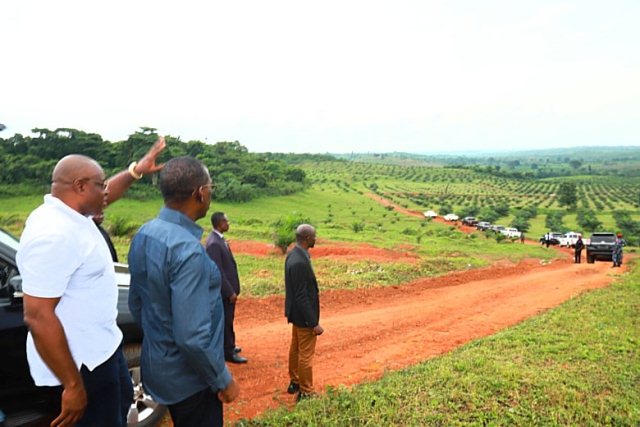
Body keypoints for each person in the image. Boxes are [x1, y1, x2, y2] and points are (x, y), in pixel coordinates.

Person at [17, 137, 166, 427]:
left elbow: (110, 193)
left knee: (118, 409)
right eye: (101, 185)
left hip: (102, 351)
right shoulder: (54, 233)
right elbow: (37, 316)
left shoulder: (73, 213)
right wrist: (72, 385)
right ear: (80, 186)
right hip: (80, 366)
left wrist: (136, 171)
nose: (107, 190)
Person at [128, 157, 239, 427]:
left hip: (158, 367)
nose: (211, 192)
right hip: (192, 380)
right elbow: (192, 337)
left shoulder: (145, 233)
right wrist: (223, 379)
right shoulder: (189, 252)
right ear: (199, 193)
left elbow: (137, 305)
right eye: (210, 186)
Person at [284, 224, 324, 402]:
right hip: (303, 317)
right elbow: (301, 296)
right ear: (307, 238)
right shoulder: (300, 261)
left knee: (296, 349)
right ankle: (306, 391)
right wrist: (313, 322)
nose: (316, 238)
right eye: (314, 236)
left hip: (295, 314)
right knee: (305, 355)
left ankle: (295, 381)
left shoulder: (293, 254)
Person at [206, 212, 247, 364]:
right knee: (225, 321)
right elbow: (218, 271)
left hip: (227, 290)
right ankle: (228, 351)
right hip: (224, 293)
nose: (228, 224)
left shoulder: (219, 240)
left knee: (228, 319)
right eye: (226, 221)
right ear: (219, 223)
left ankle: (229, 346)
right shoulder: (214, 243)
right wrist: (229, 291)